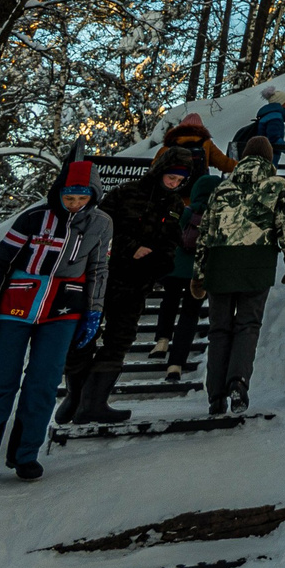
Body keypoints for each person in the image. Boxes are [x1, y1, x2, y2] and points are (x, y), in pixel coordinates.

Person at [0, 161, 112, 489]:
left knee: (43, 384)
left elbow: (98, 269)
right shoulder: (33, 218)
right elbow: (0, 263)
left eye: (82, 198)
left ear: (93, 195)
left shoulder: (101, 223)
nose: (75, 204)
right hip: (15, 307)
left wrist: (93, 312)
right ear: (59, 193)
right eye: (69, 197)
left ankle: (25, 455)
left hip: (64, 311)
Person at [58, 151, 194, 423]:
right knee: (84, 335)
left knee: (120, 339)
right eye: (171, 176)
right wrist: (130, 248)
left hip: (137, 282)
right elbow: (99, 231)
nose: (174, 183)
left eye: (179, 179)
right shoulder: (125, 193)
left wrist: (160, 263)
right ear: (161, 171)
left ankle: (94, 402)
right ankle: (76, 399)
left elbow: (172, 242)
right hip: (103, 276)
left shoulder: (175, 204)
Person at [192, 134, 285, 415]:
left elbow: (206, 232)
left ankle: (215, 396)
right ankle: (238, 384)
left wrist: (199, 274)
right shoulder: (277, 186)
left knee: (219, 330)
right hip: (257, 262)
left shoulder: (222, 187)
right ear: (268, 157)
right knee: (247, 326)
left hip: (220, 263)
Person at [154, 155, 224, 378]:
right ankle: (175, 364)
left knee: (169, 301)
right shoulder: (219, 217)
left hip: (175, 269)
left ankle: (162, 341)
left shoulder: (184, 212)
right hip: (199, 273)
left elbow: (166, 237)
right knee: (189, 316)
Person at [157, 110, 235, 175]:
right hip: (198, 183)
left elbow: (155, 165)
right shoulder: (205, 143)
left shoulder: (171, 142)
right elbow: (224, 163)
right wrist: (243, 166)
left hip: (174, 183)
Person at [230, 85, 285, 159]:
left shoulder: (267, 115)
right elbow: (274, 139)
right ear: (281, 103)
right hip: (265, 158)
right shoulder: (275, 118)